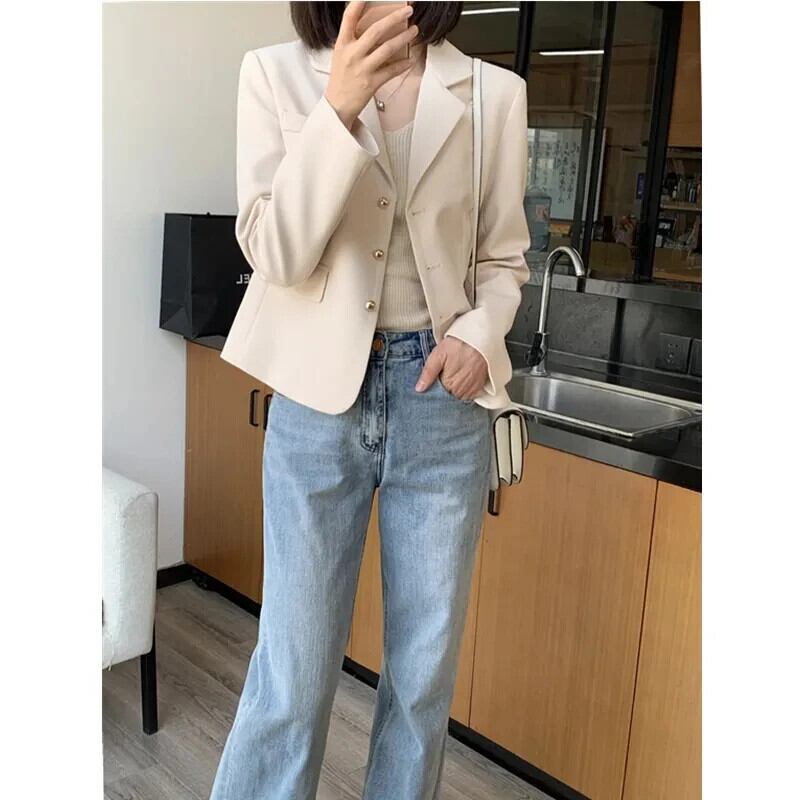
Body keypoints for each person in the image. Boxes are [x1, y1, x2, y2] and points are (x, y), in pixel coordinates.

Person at [209, 2, 530, 798]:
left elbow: (503, 258)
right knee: (294, 669)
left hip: (441, 399)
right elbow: (276, 253)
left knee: (421, 677)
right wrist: (339, 106)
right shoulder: (274, 74)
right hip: (318, 400)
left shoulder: (493, 93)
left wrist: (478, 335)